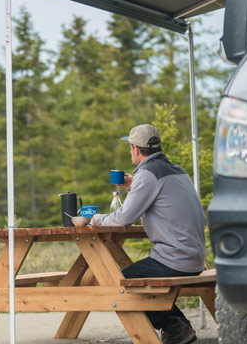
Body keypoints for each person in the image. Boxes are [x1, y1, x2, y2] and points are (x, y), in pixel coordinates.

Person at [91, 124, 206, 344]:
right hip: (195, 257)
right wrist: (135, 187)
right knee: (135, 277)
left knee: (122, 281)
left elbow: (123, 219)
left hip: (176, 258)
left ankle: (174, 328)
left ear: (135, 149)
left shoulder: (147, 174)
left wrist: (96, 219)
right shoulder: (177, 170)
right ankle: (179, 327)